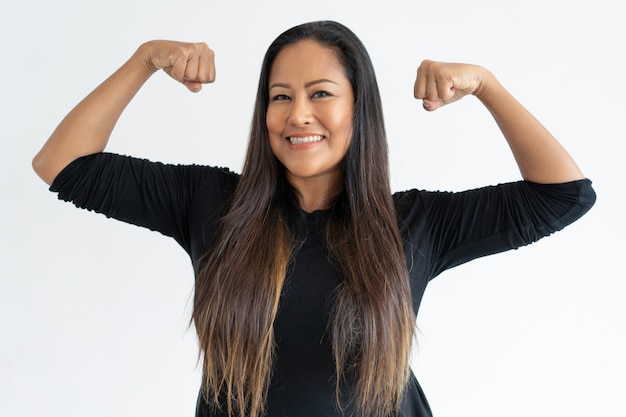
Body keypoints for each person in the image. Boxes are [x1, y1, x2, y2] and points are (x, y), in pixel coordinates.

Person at [32, 20, 595, 417]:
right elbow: (63, 164)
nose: (297, 114)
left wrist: (486, 86)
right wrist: (146, 58)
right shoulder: (211, 203)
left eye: (320, 93)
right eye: (280, 96)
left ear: (358, 107)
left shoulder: (414, 223)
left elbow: (564, 195)